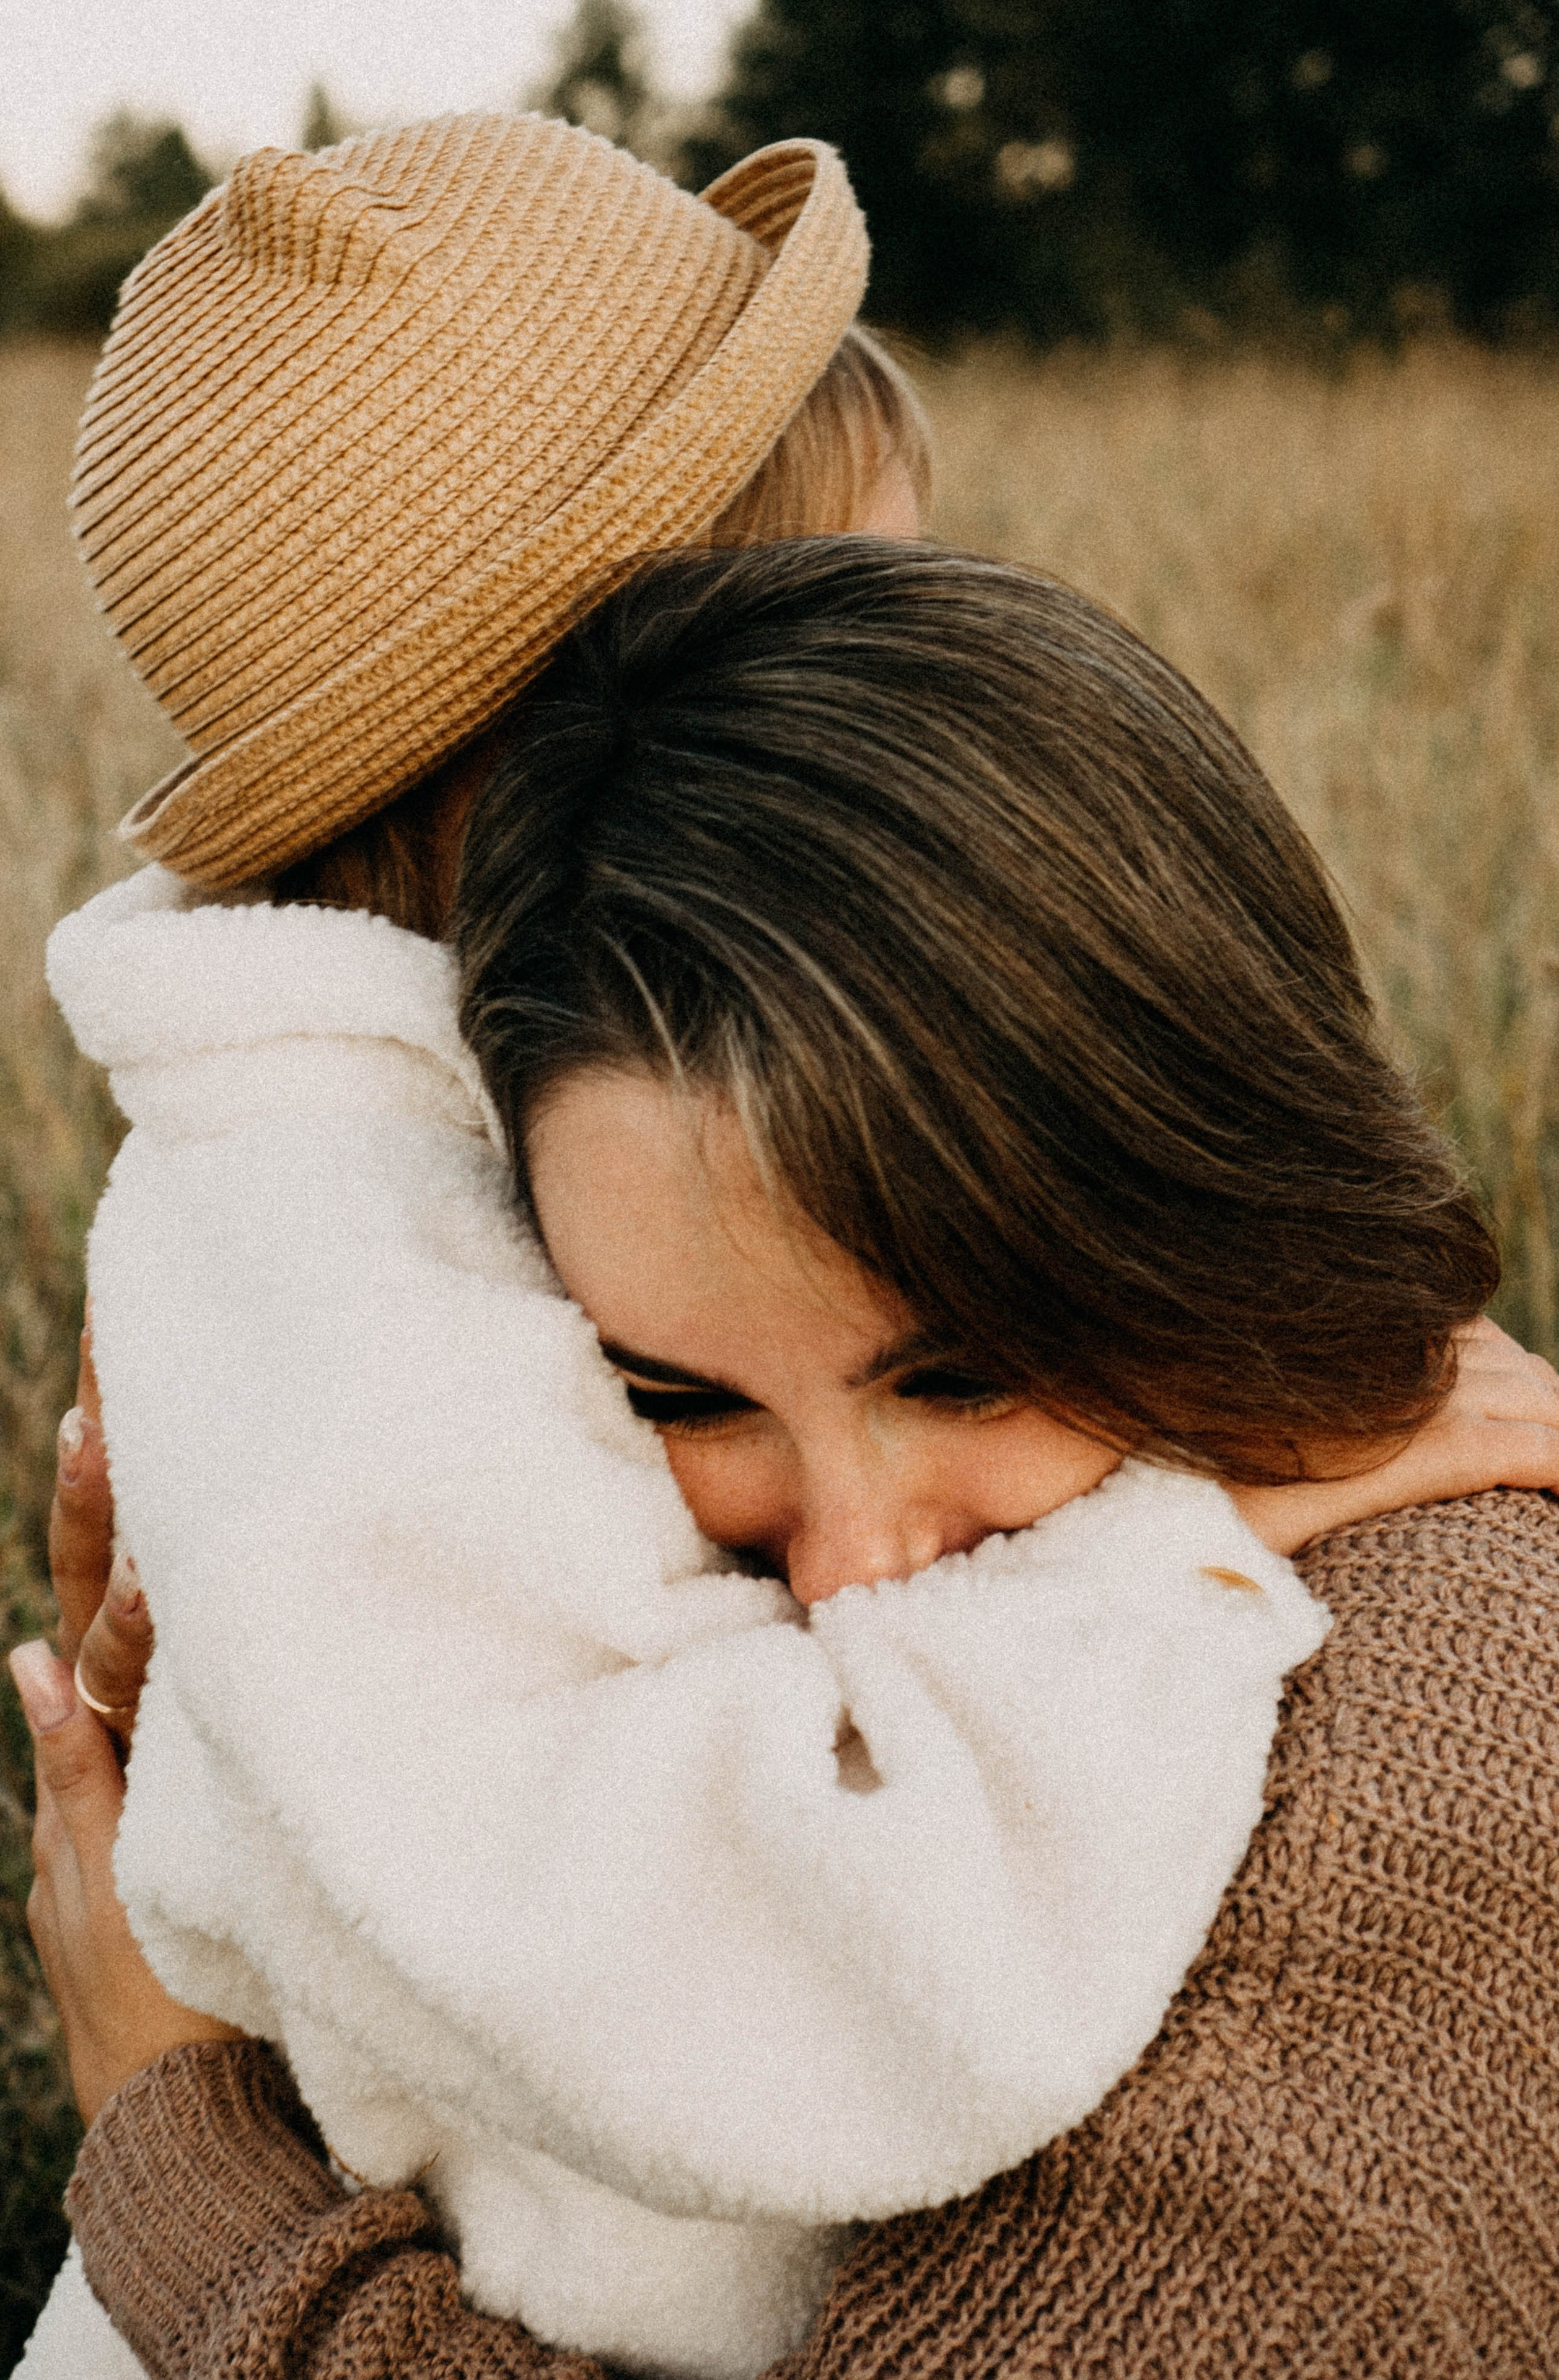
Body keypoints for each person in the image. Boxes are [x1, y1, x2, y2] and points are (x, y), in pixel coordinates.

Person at [16, 539, 1559, 2380]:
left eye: (967, 1374)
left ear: (1189, 1195)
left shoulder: (1412, 1757)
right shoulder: (614, 1590)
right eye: (686, 1401)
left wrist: (188, 2174)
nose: (847, 1567)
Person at [11, 108, 947, 2380]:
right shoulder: (366, 1268)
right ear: (628, 724)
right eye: (880, 624)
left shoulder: (487, 1111)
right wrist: (1255, 1551)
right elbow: (718, 1967)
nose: (949, 703)